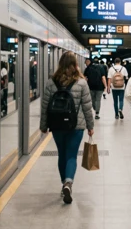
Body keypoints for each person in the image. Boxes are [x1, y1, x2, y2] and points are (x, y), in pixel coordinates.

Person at [39, 52, 94, 205]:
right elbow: (87, 107)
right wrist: (90, 126)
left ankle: (64, 182)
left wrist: (43, 125)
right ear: (76, 64)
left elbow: (45, 106)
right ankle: (68, 183)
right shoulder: (82, 83)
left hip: (57, 126)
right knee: (71, 155)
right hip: (76, 126)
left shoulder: (51, 82)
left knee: (62, 154)